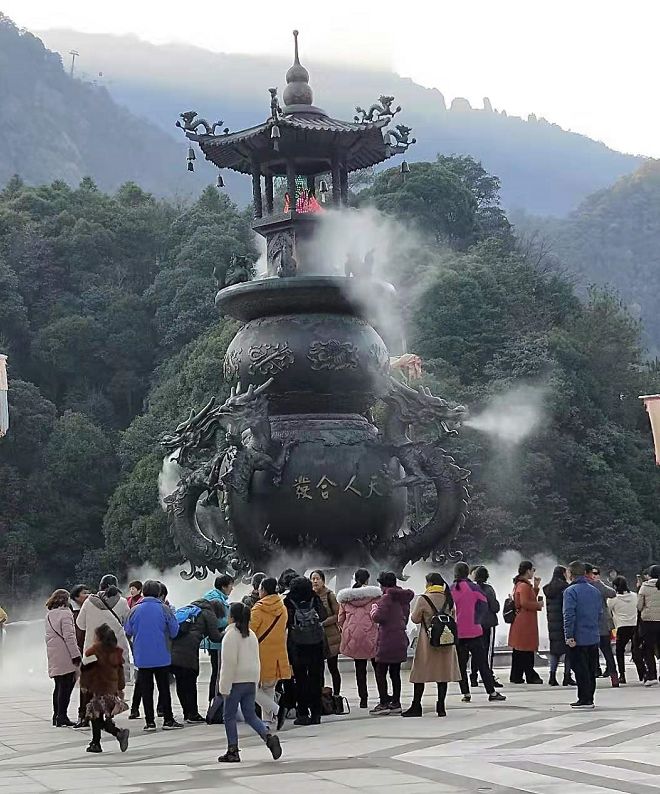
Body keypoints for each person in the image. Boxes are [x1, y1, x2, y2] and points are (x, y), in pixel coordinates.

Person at [218, 602, 282, 763]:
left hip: (235, 682)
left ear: (232, 617)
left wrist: (224, 687)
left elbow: (228, 664)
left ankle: (232, 750)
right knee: (250, 715)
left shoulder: (230, 636)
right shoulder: (251, 634)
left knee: (229, 716)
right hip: (250, 680)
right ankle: (268, 736)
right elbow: (256, 659)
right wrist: (255, 680)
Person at [124, 579, 182, 731]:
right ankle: (168, 720)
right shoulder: (165, 609)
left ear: (143, 592)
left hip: (142, 657)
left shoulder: (134, 610)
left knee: (146, 690)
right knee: (164, 688)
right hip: (162, 655)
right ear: (158, 593)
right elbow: (174, 631)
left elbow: (128, 630)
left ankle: (149, 722)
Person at [403, 572, 461, 717]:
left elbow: (415, 619)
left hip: (427, 643)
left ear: (429, 583)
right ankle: (441, 707)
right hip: (445, 642)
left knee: (420, 674)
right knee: (443, 675)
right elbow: (454, 617)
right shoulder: (448, 598)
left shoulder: (423, 598)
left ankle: (416, 705)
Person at [451, 562, 506, 703]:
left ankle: (466, 693)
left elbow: (448, 608)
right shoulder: (474, 588)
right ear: (467, 573)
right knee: (482, 663)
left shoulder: (451, 589)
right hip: (474, 632)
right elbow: (484, 605)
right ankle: (491, 692)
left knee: (461, 665)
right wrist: (477, 620)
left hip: (459, 633)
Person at [170, 598, 225, 723]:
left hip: (174, 649)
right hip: (189, 652)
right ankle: (193, 714)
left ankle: (186, 712)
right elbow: (215, 637)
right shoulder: (208, 612)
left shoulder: (191, 608)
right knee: (190, 682)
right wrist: (226, 633)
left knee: (181, 681)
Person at [80, 623, 130, 754]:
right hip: (110, 691)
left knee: (95, 717)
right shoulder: (116, 652)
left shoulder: (93, 652)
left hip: (96, 689)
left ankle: (101, 741)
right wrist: (120, 688)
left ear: (99, 638)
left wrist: (84, 685)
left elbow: (86, 671)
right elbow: (120, 672)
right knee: (98, 717)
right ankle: (107, 737)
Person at [370, 571, 414, 715]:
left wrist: (374, 609)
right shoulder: (403, 598)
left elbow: (378, 617)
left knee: (380, 671)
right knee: (395, 673)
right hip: (400, 638)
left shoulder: (386, 598)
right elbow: (405, 618)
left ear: (382, 584)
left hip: (387, 639)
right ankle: (396, 702)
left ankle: (383, 703)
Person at [250, 576, 291, 729]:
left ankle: (277, 710)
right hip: (277, 654)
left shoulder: (258, 608)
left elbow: (250, 631)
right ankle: (267, 721)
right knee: (269, 688)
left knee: (249, 688)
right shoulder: (282, 607)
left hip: (260, 654)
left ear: (264, 590)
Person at [337, 568, 381, 709]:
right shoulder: (375, 597)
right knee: (378, 668)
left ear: (355, 579)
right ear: (368, 579)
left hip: (354, 637)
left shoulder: (346, 599)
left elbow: (340, 619)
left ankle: (363, 699)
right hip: (372, 636)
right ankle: (383, 696)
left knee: (360, 669)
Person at [284, 576, 325, 725]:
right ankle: (316, 714)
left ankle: (302, 714)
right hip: (316, 644)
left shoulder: (288, 601)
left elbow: (285, 622)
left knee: (300, 680)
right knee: (316, 679)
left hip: (297, 645)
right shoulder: (315, 598)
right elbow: (323, 615)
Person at [563, 560, 603, 709]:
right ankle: (590, 697)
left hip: (578, 637)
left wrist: (569, 635)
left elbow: (569, 615)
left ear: (571, 573)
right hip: (593, 635)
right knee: (591, 669)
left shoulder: (570, 591)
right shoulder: (595, 591)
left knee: (580, 668)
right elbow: (600, 613)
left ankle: (584, 699)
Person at [77, 574, 131, 681]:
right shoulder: (122, 602)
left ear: (100, 586)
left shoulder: (88, 602)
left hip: (93, 648)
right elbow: (129, 623)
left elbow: (80, 624)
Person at [45, 589, 81, 726]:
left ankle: (56, 715)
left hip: (53, 653)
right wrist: (76, 655)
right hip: (65, 653)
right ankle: (62, 716)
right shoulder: (66, 614)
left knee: (58, 685)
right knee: (66, 686)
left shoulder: (49, 614)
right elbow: (69, 637)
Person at [508, 560, 543, 684]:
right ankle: (530, 675)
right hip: (525, 621)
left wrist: (536, 587)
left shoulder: (520, 584)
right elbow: (524, 602)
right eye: (533, 570)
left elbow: (527, 598)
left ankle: (516, 675)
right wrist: (538, 605)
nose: (533, 572)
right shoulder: (524, 586)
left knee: (519, 650)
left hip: (521, 620)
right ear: (528, 570)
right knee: (526, 649)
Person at [201, 574, 234, 703]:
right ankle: (215, 702)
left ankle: (215, 701)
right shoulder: (216, 600)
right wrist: (232, 620)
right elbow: (218, 621)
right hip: (217, 641)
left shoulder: (214, 597)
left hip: (214, 640)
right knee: (218, 672)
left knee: (217, 671)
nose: (232, 588)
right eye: (231, 585)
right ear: (224, 586)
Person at [585, 564, 618, 686]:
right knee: (607, 651)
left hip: (587, 624)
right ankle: (614, 676)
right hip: (601, 623)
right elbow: (612, 593)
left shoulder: (578, 586)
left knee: (589, 652)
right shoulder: (598, 585)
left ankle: (591, 676)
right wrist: (599, 584)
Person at [310, 569, 342, 696]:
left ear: (323, 581)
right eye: (313, 579)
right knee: (319, 670)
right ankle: (321, 696)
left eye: (317, 579)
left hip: (331, 637)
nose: (315, 581)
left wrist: (323, 623)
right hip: (317, 638)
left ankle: (336, 696)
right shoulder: (310, 596)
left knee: (333, 668)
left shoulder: (330, 595)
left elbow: (337, 615)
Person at [608, 575, 645, 684]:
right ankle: (642, 673)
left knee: (620, 651)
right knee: (636, 650)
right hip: (635, 626)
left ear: (615, 586)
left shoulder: (613, 599)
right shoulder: (634, 596)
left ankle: (622, 675)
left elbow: (608, 611)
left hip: (622, 627)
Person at [470, 566, 502, 688]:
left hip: (475, 623)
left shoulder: (472, 588)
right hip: (488, 623)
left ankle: (473, 676)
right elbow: (494, 607)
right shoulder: (488, 589)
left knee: (476, 650)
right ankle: (489, 677)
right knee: (487, 652)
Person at [543, 566, 575, 687]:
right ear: (563, 574)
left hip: (552, 624)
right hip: (564, 622)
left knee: (554, 651)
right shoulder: (566, 588)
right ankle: (567, 676)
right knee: (568, 651)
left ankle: (552, 676)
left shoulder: (548, 589)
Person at [69, 584, 91, 728]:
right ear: (76, 597)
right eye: (84, 592)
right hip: (80, 652)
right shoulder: (73, 613)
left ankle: (88, 714)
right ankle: (82, 715)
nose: (88, 594)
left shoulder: (89, 608)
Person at [637, 563, 660, 686]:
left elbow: (639, 606)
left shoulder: (645, 587)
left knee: (648, 649)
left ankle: (652, 675)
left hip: (649, 622)